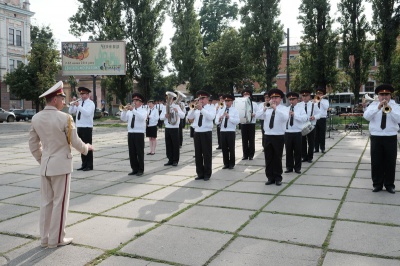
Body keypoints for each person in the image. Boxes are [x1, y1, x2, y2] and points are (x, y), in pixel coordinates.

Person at [29, 81, 94, 248]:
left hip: (46, 166)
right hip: (61, 166)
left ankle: (44, 239)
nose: (64, 102)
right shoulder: (65, 118)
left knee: (46, 203)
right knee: (60, 202)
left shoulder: (36, 118)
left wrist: (42, 159)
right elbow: (75, 141)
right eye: (62, 98)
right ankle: (56, 239)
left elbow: (33, 145)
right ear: (54, 99)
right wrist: (87, 148)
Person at [363, 84, 400, 194]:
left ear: (390, 95)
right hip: (376, 136)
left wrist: (389, 109)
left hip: (390, 137)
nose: (384, 97)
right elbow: (366, 117)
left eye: (387, 94)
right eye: (382, 94)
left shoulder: (396, 106)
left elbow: (398, 118)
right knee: (376, 162)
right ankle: (377, 184)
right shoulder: (373, 105)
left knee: (390, 162)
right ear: (378, 96)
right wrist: (378, 108)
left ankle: (389, 185)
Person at [256, 89, 288, 186]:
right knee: (268, 157)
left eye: (276, 97)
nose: (274, 99)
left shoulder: (283, 108)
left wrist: (275, 109)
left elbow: (285, 118)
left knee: (277, 158)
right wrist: (265, 108)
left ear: (281, 98)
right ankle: (270, 177)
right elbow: (257, 116)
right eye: (272, 97)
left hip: (278, 136)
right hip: (268, 135)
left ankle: (278, 177)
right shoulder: (267, 108)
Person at [187, 90, 216, 181]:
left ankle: (207, 174)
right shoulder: (196, 108)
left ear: (207, 99)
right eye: (199, 99)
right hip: (197, 132)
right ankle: (200, 173)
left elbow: (211, 117)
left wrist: (202, 109)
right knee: (198, 154)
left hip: (206, 132)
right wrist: (193, 109)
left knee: (207, 154)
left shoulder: (211, 107)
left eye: (202, 98)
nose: (201, 100)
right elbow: (189, 118)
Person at [68, 87, 95, 171]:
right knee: (81, 146)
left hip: (87, 127)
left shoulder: (91, 103)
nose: (82, 96)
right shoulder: (79, 103)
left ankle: (89, 165)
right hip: (79, 126)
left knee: (88, 147)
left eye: (83, 94)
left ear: (87, 94)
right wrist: (73, 105)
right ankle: (84, 164)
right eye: (81, 94)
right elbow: (71, 112)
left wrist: (78, 106)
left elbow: (87, 113)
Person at [120, 93, 147, 176]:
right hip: (131, 132)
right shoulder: (130, 111)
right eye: (134, 100)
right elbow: (123, 119)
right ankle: (134, 169)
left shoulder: (144, 110)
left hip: (139, 133)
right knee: (132, 152)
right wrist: (124, 111)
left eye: (136, 100)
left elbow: (142, 118)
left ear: (141, 102)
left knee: (139, 152)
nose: (134, 102)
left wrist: (133, 110)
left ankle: (140, 169)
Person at [160, 92, 185, 166]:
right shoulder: (165, 107)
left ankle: (175, 160)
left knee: (175, 145)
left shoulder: (176, 106)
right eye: (167, 99)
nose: (168, 100)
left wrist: (177, 111)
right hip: (167, 127)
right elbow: (161, 118)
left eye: (170, 98)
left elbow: (183, 116)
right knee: (168, 144)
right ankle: (170, 159)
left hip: (175, 127)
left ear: (173, 99)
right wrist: (165, 116)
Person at [284, 92, 307, 174]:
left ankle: (297, 168)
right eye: (290, 99)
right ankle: (289, 167)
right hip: (288, 132)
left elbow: (304, 118)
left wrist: (295, 115)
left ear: (297, 100)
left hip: (297, 132)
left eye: (293, 99)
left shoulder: (301, 109)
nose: (291, 101)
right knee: (288, 151)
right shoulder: (287, 109)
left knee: (297, 151)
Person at [215, 94, 239, 169]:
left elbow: (237, 121)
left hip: (230, 131)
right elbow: (216, 122)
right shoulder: (221, 110)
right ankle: (225, 163)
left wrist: (229, 117)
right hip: (223, 131)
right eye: (225, 101)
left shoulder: (235, 110)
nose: (227, 103)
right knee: (224, 148)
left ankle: (231, 164)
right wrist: (219, 119)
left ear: (232, 102)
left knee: (231, 148)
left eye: (228, 101)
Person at [298, 89, 321, 163]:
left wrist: (314, 117)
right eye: (303, 96)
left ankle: (310, 157)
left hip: (311, 125)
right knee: (302, 142)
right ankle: (304, 156)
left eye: (306, 96)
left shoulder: (313, 105)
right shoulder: (299, 105)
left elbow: (319, 114)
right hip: (302, 126)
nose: (304, 97)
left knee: (311, 142)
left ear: (309, 97)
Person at [240, 89, 258, 160]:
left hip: (251, 123)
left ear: (250, 95)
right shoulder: (241, 104)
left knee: (251, 139)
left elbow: (258, 113)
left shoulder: (254, 104)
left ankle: (251, 154)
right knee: (244, 139)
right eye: (244, 94)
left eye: (247, 94)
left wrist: (254, 114)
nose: (245, 95)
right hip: (244, 123)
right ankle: (245, 154)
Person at [314, 87, 329, 153]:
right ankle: (316, 148)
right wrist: (316, 101)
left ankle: (322, 148)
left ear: (323, 94)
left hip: (322, 118)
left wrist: (321, 100)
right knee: (315, 134)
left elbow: (326, 108)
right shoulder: (315, 100)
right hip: (315, 118)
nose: (319, 94)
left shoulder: (325, 101)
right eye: (318, 93)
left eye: (320, 93)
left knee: (322, 134)